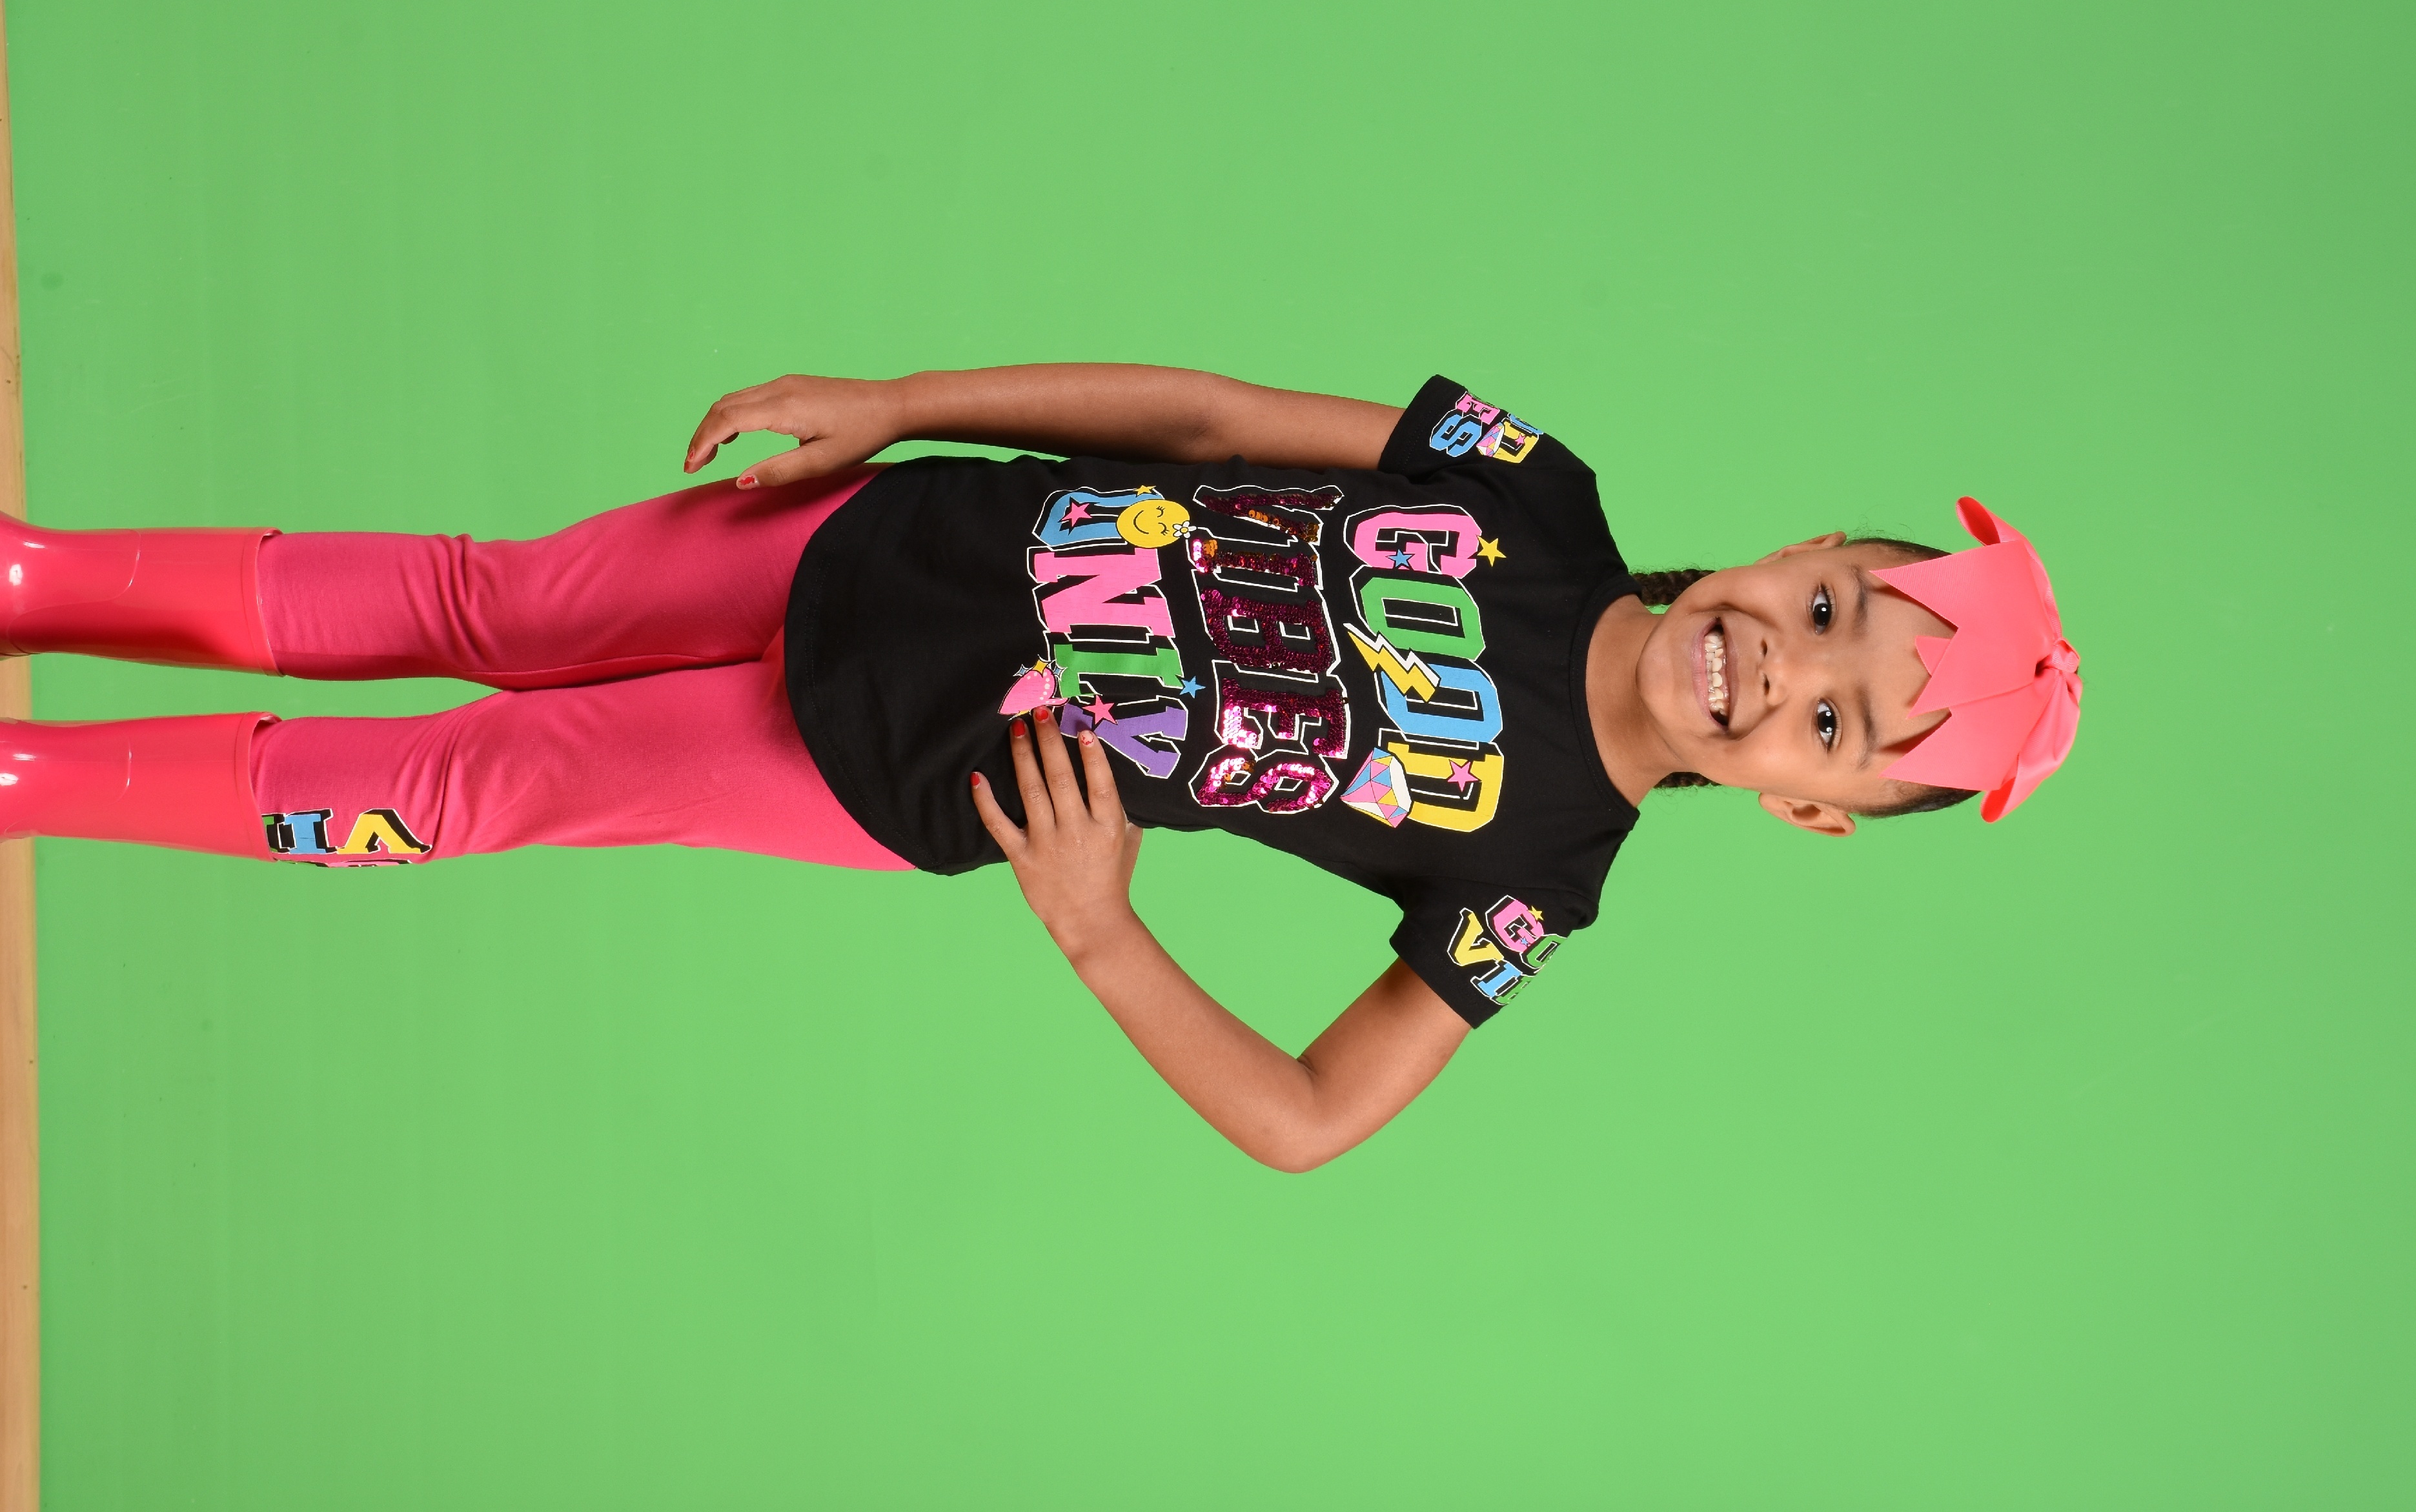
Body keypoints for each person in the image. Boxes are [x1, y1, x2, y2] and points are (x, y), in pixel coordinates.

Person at [0, 366, 2080, 1169]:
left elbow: (1307, 1119)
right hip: (884, 539)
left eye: (1831, 722)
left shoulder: (1539, 874)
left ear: (1807, 806)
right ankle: (31, 571)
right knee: (484, 599)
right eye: (1832, 606)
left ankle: (20, 778)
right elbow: (1207, 423)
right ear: (1809, 542)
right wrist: (906, 399)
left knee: (464, 788)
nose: (1780, 661)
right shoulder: (1535, 488)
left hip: (888, 764)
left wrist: (1100, 935)